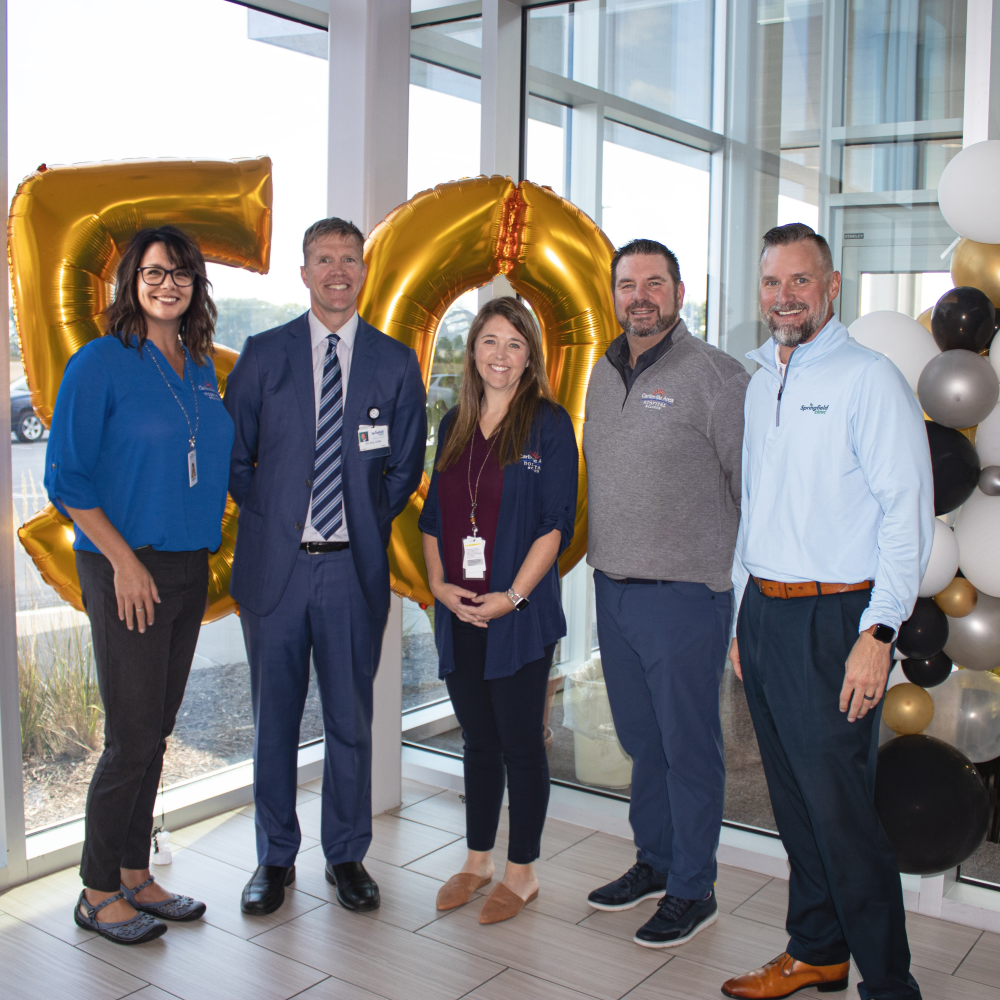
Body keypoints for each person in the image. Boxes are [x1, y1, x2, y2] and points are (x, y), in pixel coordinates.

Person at [722, 223, 933, 1000]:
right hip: (767, 618)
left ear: (832, 287)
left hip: (837, 623)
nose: (785, 297)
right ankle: (817, 952)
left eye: (800, 282)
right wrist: (742, 618)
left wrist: (878, 634)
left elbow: (905, 517)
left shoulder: (868, 379)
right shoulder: (757, 380)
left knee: (843, 819)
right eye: (773, 283)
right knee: (794, 805)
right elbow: (754, 509)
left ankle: (891, 986)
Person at [225, 218, 426, 916]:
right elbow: (237, 461)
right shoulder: (262, 354)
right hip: (275, 575)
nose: (337, 270)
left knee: (350, 720)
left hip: (352, 572)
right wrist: (283, 520)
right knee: (273, 722)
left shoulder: (396, 363)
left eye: (348, 259)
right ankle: (273, 858)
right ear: (303, 273)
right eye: (323, 259)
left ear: (363, 272)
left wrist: (359, 518)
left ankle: (346, 856)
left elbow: (404, 468)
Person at [45, 226, 234, 944]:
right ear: (132, 281)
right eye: (155, 272)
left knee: (156, 731)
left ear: (195, 286)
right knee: (129, 737)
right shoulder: (100, 362)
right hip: (125, 563)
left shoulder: (198, 366)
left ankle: (134, 874)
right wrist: (124, 562)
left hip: (187, 566)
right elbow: (67, 477)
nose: (168, 284)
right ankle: (97, 892)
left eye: (181, 273)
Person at [582, 239, 750, 947]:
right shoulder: (600, 371)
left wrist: (743, 607)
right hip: (613, 587)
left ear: (679, 293)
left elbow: (752, 493)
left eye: (655, 283)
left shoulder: (717, 376)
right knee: (640, 741)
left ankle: (694, 887)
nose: (640, 296)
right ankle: (654, 860)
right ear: (614, 294)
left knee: (689, 748)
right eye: (628, 284)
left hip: (686, 595)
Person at [419, 296, 578, 924]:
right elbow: (433, 517)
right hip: (459, 609)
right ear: (473, 351)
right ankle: (477, 859)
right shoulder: (454, 420)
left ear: (530, 355)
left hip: (519, 614)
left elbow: (554, 525)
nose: (501, 356)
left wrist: (512, 598)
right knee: (478, 742)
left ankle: (522, 872)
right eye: (490, 342)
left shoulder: (548, 424)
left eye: (515, 344)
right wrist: (437, 583)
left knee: (520, 744)